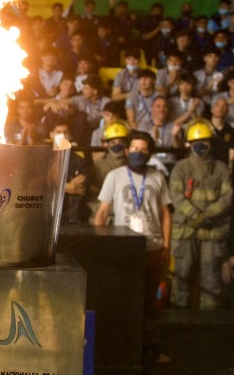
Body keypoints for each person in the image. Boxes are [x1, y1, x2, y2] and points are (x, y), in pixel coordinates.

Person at [94, 131, 172, 362]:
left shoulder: (157, 177)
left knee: (149, 302)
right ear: (127, 151)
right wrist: (101, 244)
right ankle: (120, 350)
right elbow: (102, 213)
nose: (138, 153)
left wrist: (167, 245)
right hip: (123, 247)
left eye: (143, 149)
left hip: (152, 245)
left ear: (149, 153)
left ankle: (147, 349)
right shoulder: (115, 176)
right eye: (134, 148)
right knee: (122, 299)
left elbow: (165, 214)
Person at [170, 119, 232, 309]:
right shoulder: (181, 168)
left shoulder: (221, 169)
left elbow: (227, 198)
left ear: (211, 143)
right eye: (197, 141)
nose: (201, 144)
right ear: (189, 143)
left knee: (211, 280)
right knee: (181, 276)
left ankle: (209, 326)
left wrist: (206, 216)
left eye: (205, 140)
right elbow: (176, 196)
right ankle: (178, 322)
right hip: (185, 231)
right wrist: (194, 215)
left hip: (212, 233)